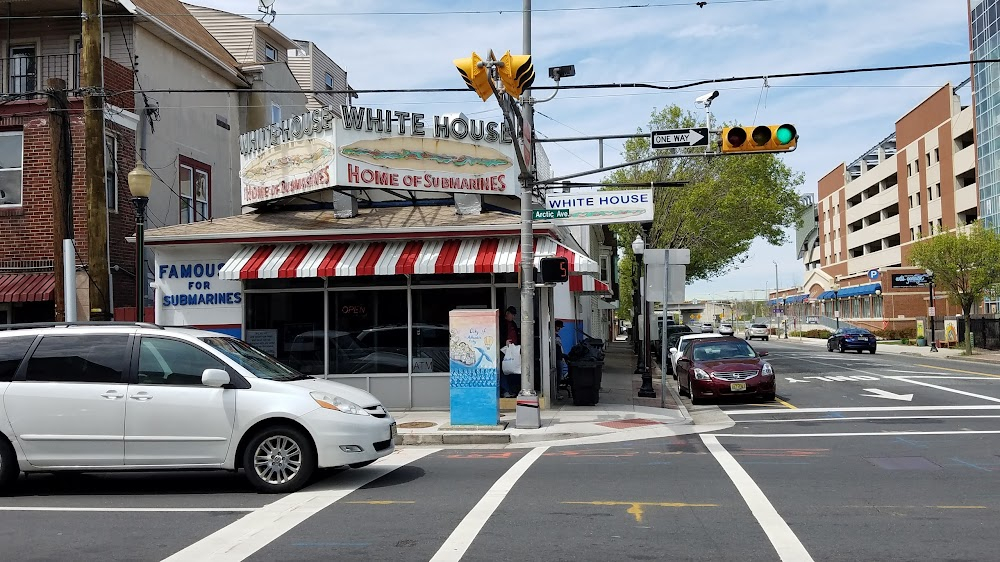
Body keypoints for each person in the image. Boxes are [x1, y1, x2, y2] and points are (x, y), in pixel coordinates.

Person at [499, 306, 520, 398]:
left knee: (513, 370)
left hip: (513, 350)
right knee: (504, 370)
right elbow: (497, 335)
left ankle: (511, 389)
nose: (513, 316)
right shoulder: (501, 323)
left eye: (514, 315)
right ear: (507, 313)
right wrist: (504, 342)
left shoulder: (513, 324)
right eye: (512, 314)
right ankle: (505, 390)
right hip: (503, 350)